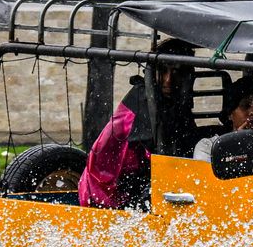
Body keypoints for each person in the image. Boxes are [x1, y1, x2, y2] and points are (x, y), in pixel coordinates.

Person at [79, 64, 185, 210]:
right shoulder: (143, 100)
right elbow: (159, 154)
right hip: (103, 191)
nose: (168, 80)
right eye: (162, 71)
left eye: (176, 72)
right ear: (152, 73)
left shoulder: (169, 100)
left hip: (129, 183)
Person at [191, 77, 253, 161]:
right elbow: (205, 172)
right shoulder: (207, 148)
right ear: (230, 113)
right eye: (245, 106)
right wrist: (238, 145)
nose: (252, 113)